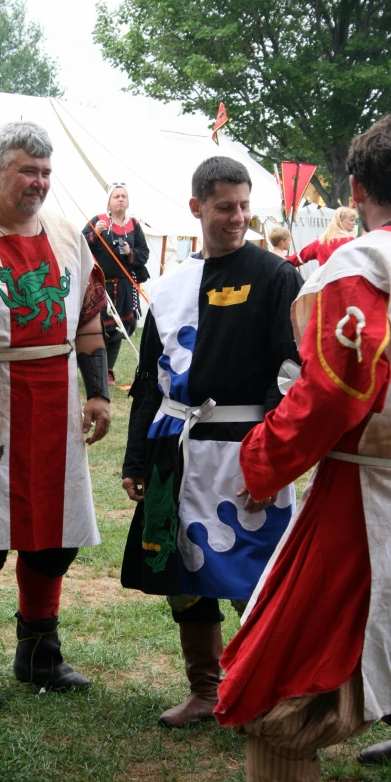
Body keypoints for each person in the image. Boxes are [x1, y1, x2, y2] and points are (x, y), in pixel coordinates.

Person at [215, 114, 391, 780]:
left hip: (368, 498)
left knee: (279, 688)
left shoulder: (366, 266)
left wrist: (262, 460)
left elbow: (335, 393)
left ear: (355, 186)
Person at [121, 156, 303, 728]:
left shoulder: (277, 277)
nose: (239, 218)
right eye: (226, 207)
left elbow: (293, 375)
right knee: (181, 572)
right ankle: (205, 689)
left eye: (245, 207)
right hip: (176, 447)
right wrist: (135, 457)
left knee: (254, 576)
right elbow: (152, 377)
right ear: (197, 207)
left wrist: (272, 460)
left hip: (246, 449)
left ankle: (260, 692)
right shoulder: (172, 288)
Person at [0, 121, 111, 710]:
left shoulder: (67, 236)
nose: (38, 183)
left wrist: (98, 393)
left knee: (55, 536)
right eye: (25, 171)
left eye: (44, 172)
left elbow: (89, 323)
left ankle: (40, 651)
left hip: (57, 404)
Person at [83, 184, 149, 385]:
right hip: (100, 286)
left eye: (123, 196)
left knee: (119, 330)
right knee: (99, 328)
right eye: (116, 196)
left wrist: (130, 252)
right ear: (109, 201)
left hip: (124, 288)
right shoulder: (97, 221)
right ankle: (98, 370)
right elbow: (80, 244)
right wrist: (95, 234)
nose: (120, 199)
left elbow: (144, 254)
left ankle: (109, 371)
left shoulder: (135, 226)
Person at [286, 205, 357, 267]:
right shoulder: (351, 242)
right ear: (340, 220)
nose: (354, 223)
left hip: (326, 281)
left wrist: (278, 258)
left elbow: (298, 258)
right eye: (352, 220)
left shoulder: (321, 241)